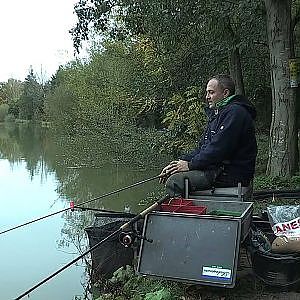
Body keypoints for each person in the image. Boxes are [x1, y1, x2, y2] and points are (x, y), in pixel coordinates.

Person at [159, 74, 257, 197]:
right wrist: (180, 162)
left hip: (230, 173)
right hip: (217, 169)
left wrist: (190, 165)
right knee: (174, 173)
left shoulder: (235, 113)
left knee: (175, 182)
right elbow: (203, 148)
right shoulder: (219, 113)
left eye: (211, 92)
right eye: (207, 93)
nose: (207, 97)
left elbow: (218, 149)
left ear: (225, 93)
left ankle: (179, 215)